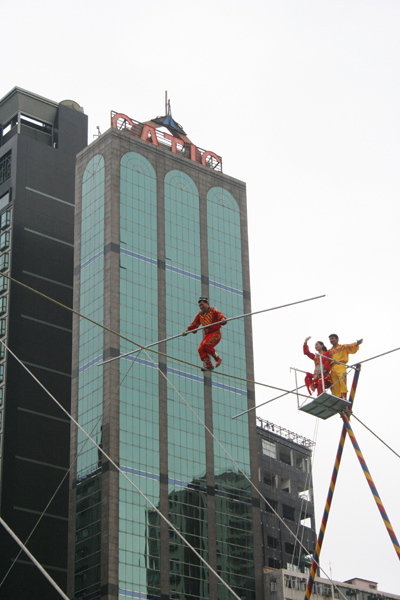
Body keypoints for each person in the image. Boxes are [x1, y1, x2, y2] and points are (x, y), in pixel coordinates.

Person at [182, 297, 227, 371]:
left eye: (202, 305)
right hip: (207, 335)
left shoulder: (213, 310)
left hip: (215, 333)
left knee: (206, 344)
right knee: (200, 348)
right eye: (200, 305)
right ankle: (208, 364)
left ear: (207, 303)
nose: (201, 307)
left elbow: (221, 316)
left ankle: (217, 358)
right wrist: (187, 331)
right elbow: (194, 325)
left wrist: (223, 320)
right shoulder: (200, 315)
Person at [328, 334, 363, 399]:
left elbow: (350, 346)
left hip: (340, 365)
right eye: (330, 339)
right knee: (334, 385)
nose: (331, 340)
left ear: (337, 339)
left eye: (332, 338)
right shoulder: (329, 351)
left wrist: (356, 344)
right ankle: (337, 399)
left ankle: (344, 397)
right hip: (332, 368)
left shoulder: (343, 347)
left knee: (342, 382)